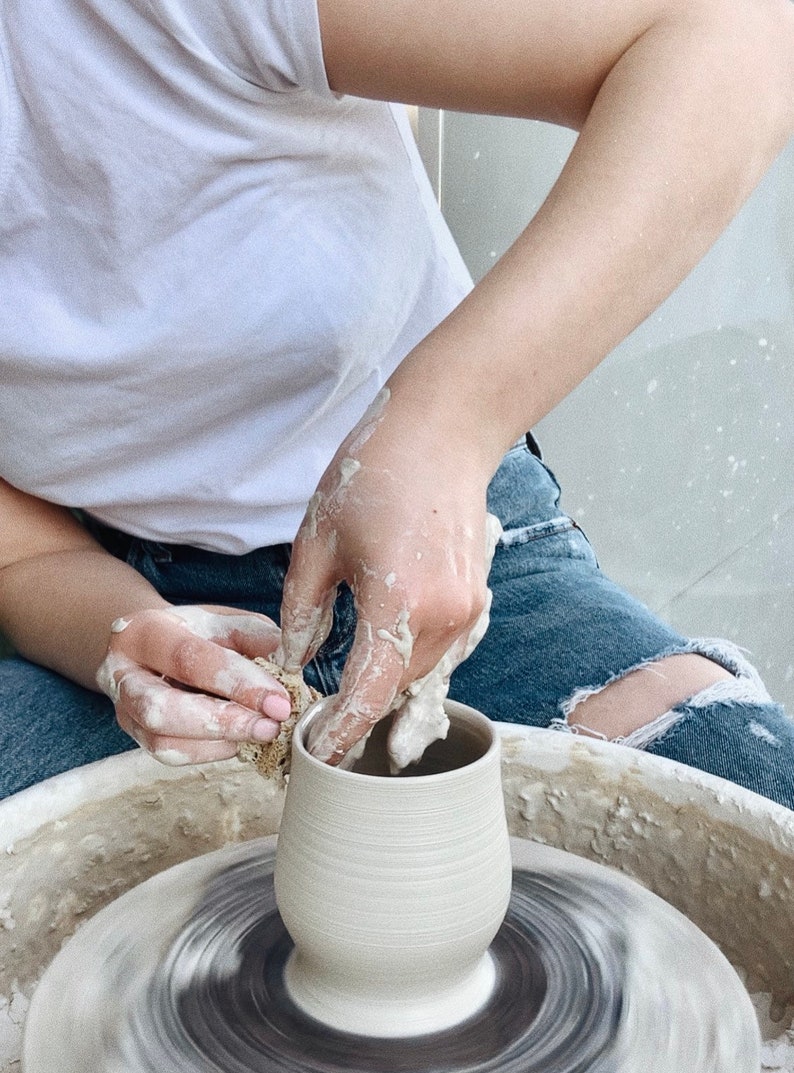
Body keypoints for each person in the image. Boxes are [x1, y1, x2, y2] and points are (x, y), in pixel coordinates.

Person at [1, 0, 793, 807]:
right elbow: (21, 554)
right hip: (121, 592)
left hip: (436, 520)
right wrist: (128, 641)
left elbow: (729, 35)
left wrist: (451, 419)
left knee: (739, 788)